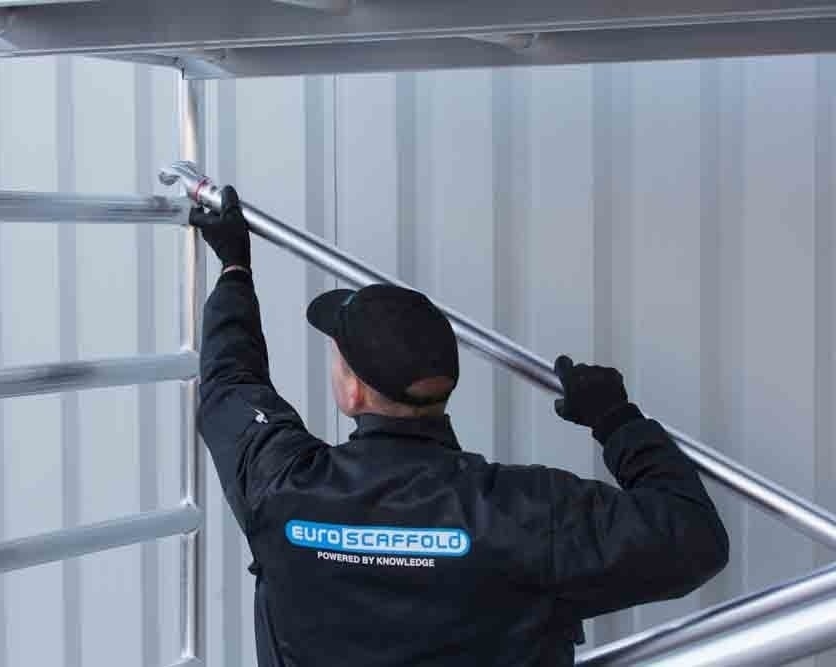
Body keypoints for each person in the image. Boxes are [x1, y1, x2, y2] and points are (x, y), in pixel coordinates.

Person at [191, 186, 729, 666]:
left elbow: (230, 382)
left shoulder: (281, 486)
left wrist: (235, 269)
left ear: (353, 393)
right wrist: (616, 420)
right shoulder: (529, 513)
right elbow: (693, 536)